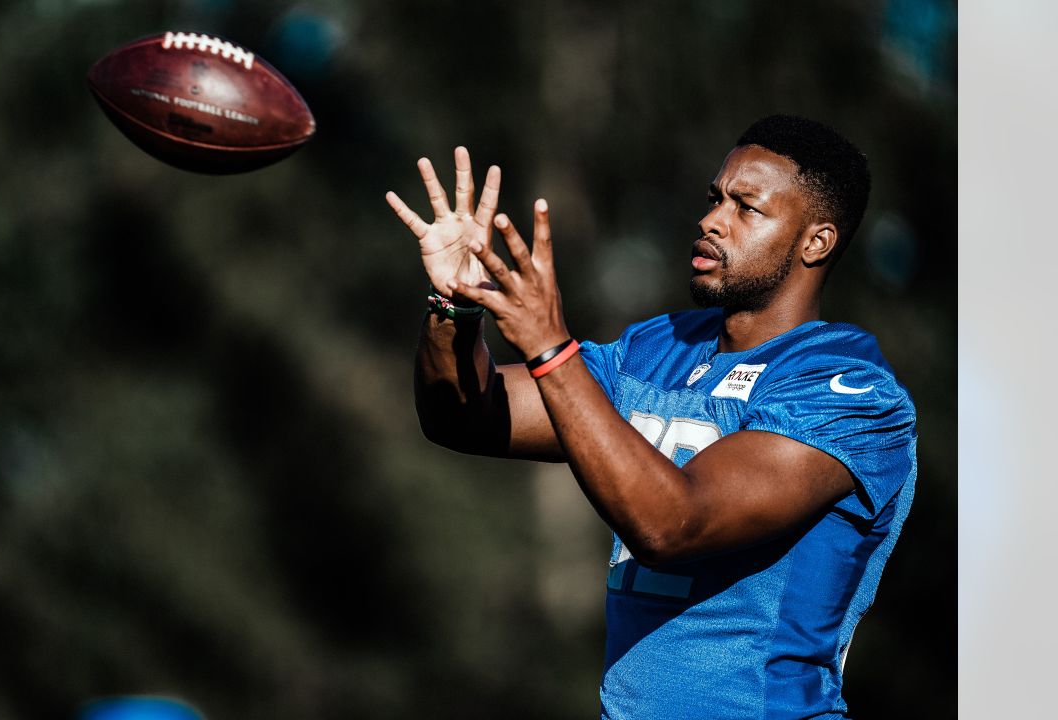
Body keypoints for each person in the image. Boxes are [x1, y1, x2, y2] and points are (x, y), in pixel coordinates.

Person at [384, 115, 917, 719]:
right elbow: (464, 418)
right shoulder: (658, 347)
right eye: (715, 198)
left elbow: (672, 526)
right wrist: (453, 307)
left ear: (815, 242)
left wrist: (551, 349)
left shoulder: (848, 392)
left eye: (747, 208)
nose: (711, 220)